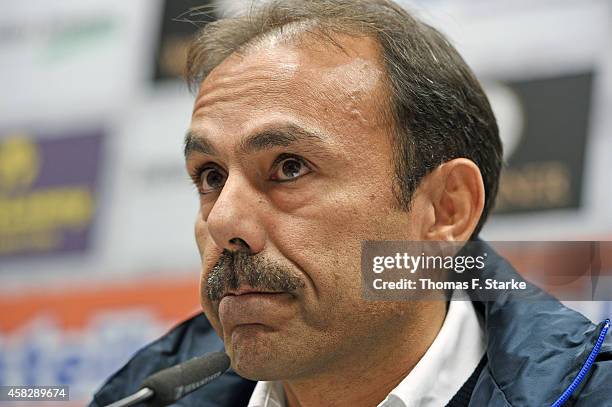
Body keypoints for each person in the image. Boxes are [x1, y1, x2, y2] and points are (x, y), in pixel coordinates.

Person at [90, 0, 612, 406]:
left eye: (288, 167)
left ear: (445, 210)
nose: (223, 219)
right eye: (209, 176)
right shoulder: (140, 395)